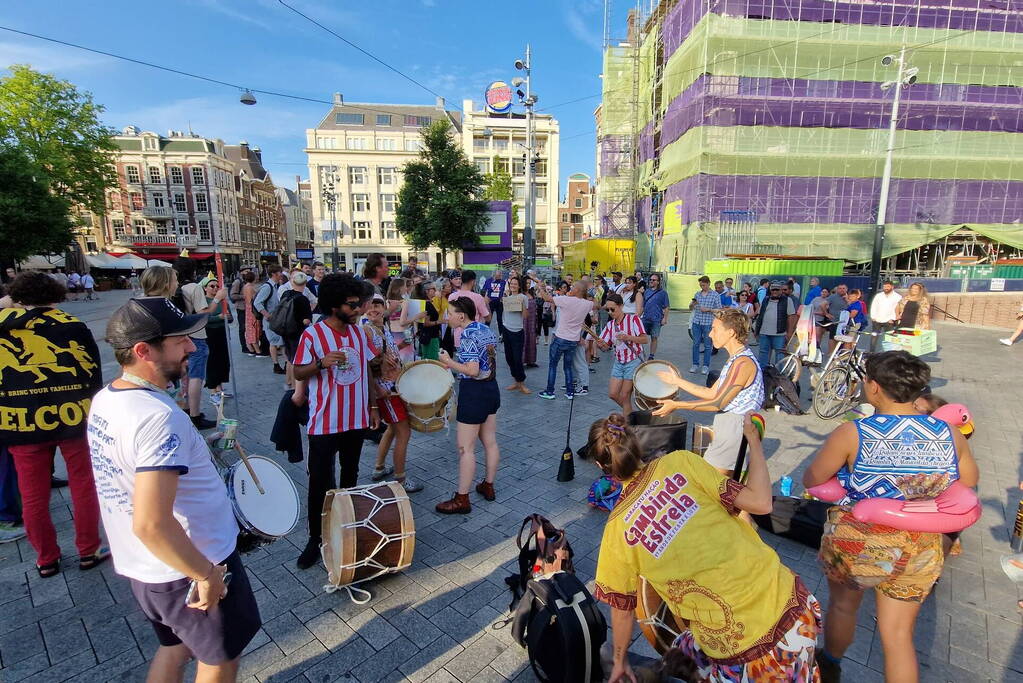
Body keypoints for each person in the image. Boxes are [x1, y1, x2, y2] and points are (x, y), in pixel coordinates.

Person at [90, 296, 261, 680]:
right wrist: (205, 574)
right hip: (188, 564)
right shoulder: (156, 418)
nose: (191, 346)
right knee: (219, 660)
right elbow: (151, 523)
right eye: (180, 340)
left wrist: (201, 445)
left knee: (175, 647)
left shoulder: (108, 398)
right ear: (142, 350)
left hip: (147, 568)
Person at [589, 414, 820, 683]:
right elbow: (760, 502)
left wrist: (619, 661)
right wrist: (754, 443)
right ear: (635, 443)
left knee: (689, 644)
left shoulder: (616, 530)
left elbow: (622, 611)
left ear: (600, 465)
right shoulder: (680, 461)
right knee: (688, 645)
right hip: (793, 603)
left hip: (747, 652)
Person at [803, 351, 978, 683]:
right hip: (920, 545)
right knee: (898, 636)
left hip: (859, 538)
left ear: (874, 387)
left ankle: (830, 664)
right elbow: (966, 483)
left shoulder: (854, 433)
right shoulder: (949, 434)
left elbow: (812, 480)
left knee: (843, 607)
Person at [0, 272, 106, 578]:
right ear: (55, 294)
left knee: (32, 493)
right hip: (72, 415)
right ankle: (88, 548)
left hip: (18, 420)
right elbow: (92, 373)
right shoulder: (71, 325)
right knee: (83, 483)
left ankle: (46, 557)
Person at [292, 274, 380, 569]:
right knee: (320, 483)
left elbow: (367, 369)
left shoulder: (358, 333)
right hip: (324, 422)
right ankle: (315, 538)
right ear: (333, 306)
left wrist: (373, 405)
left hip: (355, 419)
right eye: (352, 305)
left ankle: (347, 527)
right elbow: (298, 373)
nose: (358, 310)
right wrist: (320, 363)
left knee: (350, 477)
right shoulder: (313, 335)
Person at [654, 308, 764, 477]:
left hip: (735, 428)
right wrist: (677, 381)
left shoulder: (743, 363)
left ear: (731, 333)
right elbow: (712, 393)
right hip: (730, 426)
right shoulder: (736, 359)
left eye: (715, 329)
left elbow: (717, 403)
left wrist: (677, 405)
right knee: (719, 487)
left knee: (713, 485)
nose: (711, 334)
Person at [435, 297, 500, 514]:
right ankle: (488, 485)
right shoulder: (485, 329)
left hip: (474, 393)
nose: (447, 317)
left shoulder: (467, 335)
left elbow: (472, 371)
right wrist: (455, 365)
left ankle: (462, 498)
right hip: (492, 389)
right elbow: (483, 364)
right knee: (489, 442)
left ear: (461, 315)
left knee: (466, 449)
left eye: (450, 313)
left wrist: (448, 362)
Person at [363, 294, 422, 493]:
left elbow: (386, 353)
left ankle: (379, 467)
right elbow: (367, 364)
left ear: (384, 307)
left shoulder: (382, 327)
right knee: (403, 432)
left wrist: (401, 347)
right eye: (370, 305)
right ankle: (400, 478)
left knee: (392, 428)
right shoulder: (367, 330)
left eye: (377, 305)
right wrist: (377, 390)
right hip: (386, 389)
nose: (373, 309)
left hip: (393, 385)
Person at [178, 263, 226, 430]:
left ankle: (186, 408)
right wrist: (218, 298)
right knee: (196, 377)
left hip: (181, 336)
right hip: (196, 335)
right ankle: (195, 415)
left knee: (185, 376)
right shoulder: (194, 287)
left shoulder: (179, 288)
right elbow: (203, 314)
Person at [531, 277, 594, 400]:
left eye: (573, 286)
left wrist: (541, 288)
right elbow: (595, 304)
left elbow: (547, 298)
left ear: (578, 290)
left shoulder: (566, 300)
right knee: (568, 366)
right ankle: (570, 392)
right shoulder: (587, 304)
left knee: (553, 365)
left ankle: (550, 391)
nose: (571, 287)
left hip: (560, 338)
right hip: (573, 341)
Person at [594, 293, 648, 417]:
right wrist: (600, 345)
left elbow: (645, 339)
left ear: (621, 306)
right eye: (607, 309)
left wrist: (628, 337)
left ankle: (628, 423)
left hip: (633, 360)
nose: (610, 312)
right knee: (613, 394)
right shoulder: (610, 325)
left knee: (624, 395)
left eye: (612, 309)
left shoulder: (633, 319)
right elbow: (606, 347)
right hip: (619, 361)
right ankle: (632, 414)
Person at [280, 271, 314, 402]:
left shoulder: (285, 294)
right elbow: (306, 321)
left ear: (292, 282)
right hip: (297, 333)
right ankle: (296, 388)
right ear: (305, 284)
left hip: (285, 331)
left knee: (289, 358)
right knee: (297, 360)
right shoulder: (303, 299)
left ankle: (289, 382)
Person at [200, 276, 232, 406]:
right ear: (205, 288)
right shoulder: (204, 302)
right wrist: (218, 317)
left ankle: (220, 389)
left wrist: (228, 317)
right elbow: (204, 318)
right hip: (210, 334)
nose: (215, 289)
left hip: (222, 332)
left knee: (223, 361)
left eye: (216, 286)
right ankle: (214, 391)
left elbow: (229, 318)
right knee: (212, 362)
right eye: (212, 286)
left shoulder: (223, 301)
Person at [754, 281, 796, 367]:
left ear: (781, 290)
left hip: (780, 333)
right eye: (773, 290)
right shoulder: (765, 300)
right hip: (764, 333)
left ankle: (779, 376)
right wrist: (756, 331)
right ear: (770, 290)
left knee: (780, 354)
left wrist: (789, 333)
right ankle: (763, 374)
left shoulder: (788, 300)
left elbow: (791, 317)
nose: (775, 291)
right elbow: (760, 315)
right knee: (763, 354)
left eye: (777, 290)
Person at [255, 266, 287, 375]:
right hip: (271, 320)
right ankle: (276, 365)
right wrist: (267, 315)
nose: (281, 274)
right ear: (274, 274)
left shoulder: (277, 286)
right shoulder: (267, 287)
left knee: (282, 342)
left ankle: (286, 364)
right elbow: (257, 303)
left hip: (278, 319)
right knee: (274, 343)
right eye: (279, 272)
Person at [501, 275, 530, 394]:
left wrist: (522, 304)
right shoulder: (506, 295)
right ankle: (516, 381)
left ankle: (521, 382)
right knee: (509, 358)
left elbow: (525, 316)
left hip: (517, 331)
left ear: (519, 286)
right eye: (511, 283)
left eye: (515, 284)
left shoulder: (523, 297)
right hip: (506, 329)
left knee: (517, 359)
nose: (513, 285)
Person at [447, 269, 490, 349]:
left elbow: (450, 317)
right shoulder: (478, 297)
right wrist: (486, 303)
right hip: (474, 337)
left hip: (459, 337)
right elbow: (487, 318)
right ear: (473, 281)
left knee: (461, 360)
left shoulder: (452, 296)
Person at [689, 275, 721, 374]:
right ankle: (695, 364)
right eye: (700, 285)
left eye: (703, 285)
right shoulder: (697, 294)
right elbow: (691, 308)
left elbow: (719, 309)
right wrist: (692, 305)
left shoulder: (715, 295)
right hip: (697, 322)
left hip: (708, 323)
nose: (702, 287)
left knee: (707, 345)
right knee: (695, 344)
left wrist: (708, 309)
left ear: (708, 283)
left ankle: (705, 366)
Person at [640, 273, 669, 360]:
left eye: (654, 280)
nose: (651, 281)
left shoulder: (663, 293)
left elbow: (667, 307)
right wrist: (637, 317)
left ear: (658, 282)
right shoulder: (647, 291)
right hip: (645, 318)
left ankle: (651, 356)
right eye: (650, 280)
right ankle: (641, 354)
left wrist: (665, 318)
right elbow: (642, 306)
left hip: (656, 320)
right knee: (640, 336)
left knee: (654, 338)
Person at [869, 280, 902, 351]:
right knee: (874, 337)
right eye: (884, 286)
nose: (886, 288)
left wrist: (893, 319)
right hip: (877, 320)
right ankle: (871, 352)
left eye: (888, 286)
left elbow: (898, 309)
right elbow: (874, 306)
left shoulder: (897, 297)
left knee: (890, 338)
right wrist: (873, 317)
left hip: (889, 321)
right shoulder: (879, 296)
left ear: (892, 287)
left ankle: (889, 353)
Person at [229, 265, 253, 353]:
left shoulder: (246, 281)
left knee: (248, 328)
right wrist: (244, 296)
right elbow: (233, 295)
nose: (248, 273)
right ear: (241, 272)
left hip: (248, 308)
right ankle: (244, 347)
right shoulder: (237, 282)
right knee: (242, 328)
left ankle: (249, 345)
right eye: (246, 271)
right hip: (241, 308)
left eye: (249, 271)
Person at [416, 281, 441, 360]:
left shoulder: (426, 302)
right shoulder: (427, 304)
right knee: (431, 360)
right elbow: (426, 323)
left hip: (429, 335)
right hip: (430, 337)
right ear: (427, 291)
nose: (435, 290)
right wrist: (439, 322)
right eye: (433, 288)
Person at [481, 269, 507, 337]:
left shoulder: (503, 282)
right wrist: (485, 299)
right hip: (490, 302)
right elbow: (483, 290)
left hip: (499, 302)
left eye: (501, 275)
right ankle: (485, 334)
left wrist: (504, 296)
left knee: (499, 319)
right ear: (494, 275)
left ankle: (501, 334)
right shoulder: (488, 281)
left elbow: (505, 291)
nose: (500, 276)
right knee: (488, 318)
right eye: (498, 275)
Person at [241, 271, 261, 356]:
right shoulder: (250, 287)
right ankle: (257, 350)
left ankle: (251, 348)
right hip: (252, 310)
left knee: (250, 328)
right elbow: (250, 300)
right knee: (253, 328)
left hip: (248, 309)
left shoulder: (245, 287)